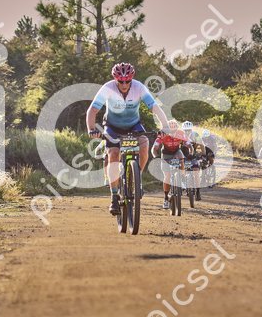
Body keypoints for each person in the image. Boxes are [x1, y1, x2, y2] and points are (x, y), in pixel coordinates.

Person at [87, 63, 169, 215]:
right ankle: (114, 197)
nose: (124, 85)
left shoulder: (139, 87)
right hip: (112, 126)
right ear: (115, 80)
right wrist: (91, 129)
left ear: (132, 79)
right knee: (113, 154)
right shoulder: (108, 88)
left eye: (127, 81)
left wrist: (165, 126)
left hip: (133, 125)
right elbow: (92, 110)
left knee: (144, 144)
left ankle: (137, 179)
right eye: (121, 81)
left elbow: (155, 107)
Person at [151, 120, 188, 209]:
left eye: (174, 129)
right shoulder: (162, 134)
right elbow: (154, 148)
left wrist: (190, 151)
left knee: (182, 160)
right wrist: (155, 156)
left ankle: (183, 179)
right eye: (170, 129)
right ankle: (166, 198)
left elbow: (188, 144)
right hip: (166, 154)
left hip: (176, 152)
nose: (172, 131)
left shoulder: (181, 133)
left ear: (177, 128)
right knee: (167, 176)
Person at [181, 121, 204, 201]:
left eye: (189, 130)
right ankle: (182, 183)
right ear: (183, 130)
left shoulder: (195, 135)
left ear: (191, 129)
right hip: (183, 155)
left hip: (193, 156)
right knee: (181, 170)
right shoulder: (180, 135)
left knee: (196, 172)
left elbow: (201, 144)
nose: (187, 132)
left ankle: (198, 191)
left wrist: (203, 154)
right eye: (185, 130)